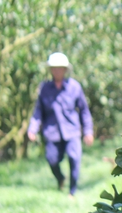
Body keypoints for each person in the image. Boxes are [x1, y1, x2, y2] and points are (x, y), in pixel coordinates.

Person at [27, 52, 94, 196]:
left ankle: (72, 192)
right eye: (54, 68)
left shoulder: (75, 87)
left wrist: (88, 131)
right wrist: (32, 129)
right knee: (52, 160)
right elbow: (38, 111)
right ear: (50, 70)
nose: (57, 70)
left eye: (60, 68)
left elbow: (84, 111)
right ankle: (60, 178)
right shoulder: (44, 89)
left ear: (65, 70)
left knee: (74, 158)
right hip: (52, 132)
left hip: (72, 131)